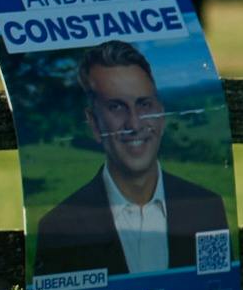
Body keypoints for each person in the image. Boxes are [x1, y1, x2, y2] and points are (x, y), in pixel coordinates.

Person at [29, 43, 227, 276]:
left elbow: (218, 288)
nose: (134, 123)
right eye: (116, 107)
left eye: (144, 104)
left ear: (161, 115)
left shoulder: (207, 208)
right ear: (94, 123)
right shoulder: (59, 227)